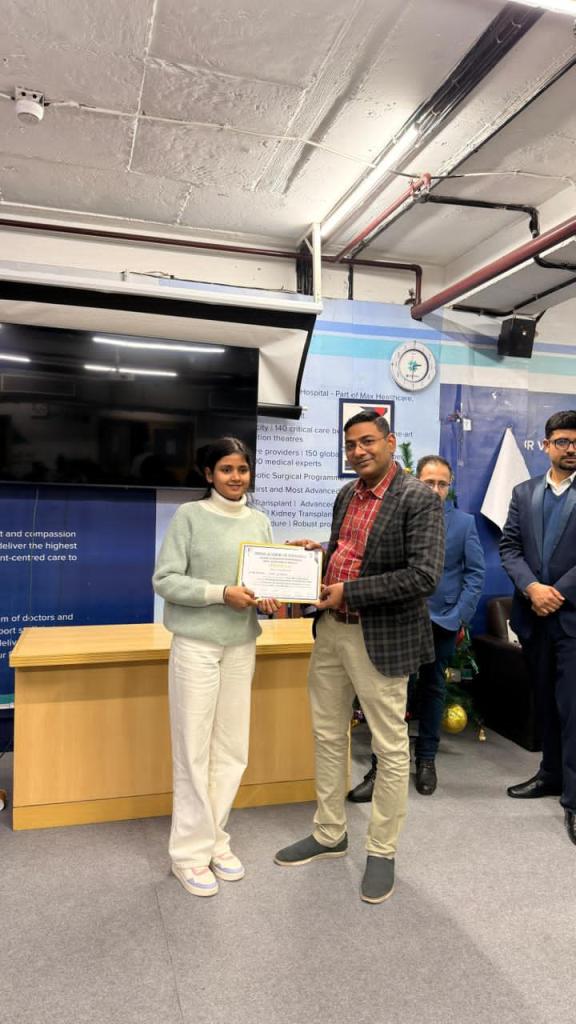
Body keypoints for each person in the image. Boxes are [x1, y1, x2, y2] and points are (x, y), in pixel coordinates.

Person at [274, 411, 445, 903]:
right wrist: (319, 554)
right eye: (351, 444)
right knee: (328, 735)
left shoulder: (417, 497)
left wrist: (349, 591)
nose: (358, 451)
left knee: (389, 748)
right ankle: (330, 833)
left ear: (390, 441)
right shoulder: (347, 493)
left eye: (368, 441)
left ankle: (382, 850)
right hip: (331, 632)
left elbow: (424, 576)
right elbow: (352, 550)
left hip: (380, 638)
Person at [153, 437, 279, 897]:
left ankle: (214, 839)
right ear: (208, 474)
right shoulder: (190, 516)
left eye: (242, 469)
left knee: (231, 749)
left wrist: (270, 595)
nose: (235, 477)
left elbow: (266, 579)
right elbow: (165, 580)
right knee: (193, 749)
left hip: (241, 645)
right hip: (196, 646)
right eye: (226, 469)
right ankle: (188, 854)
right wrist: (219, 593)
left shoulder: (260, 521)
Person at [348, 454, 485, 801]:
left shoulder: (464, 523)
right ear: (416, 481)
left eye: (442, 484)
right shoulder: (399, 515)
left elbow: (474, 575)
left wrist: (458, 617)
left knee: (434, 689)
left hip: (441, 623)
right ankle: (381, 768)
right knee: (393, 696)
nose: (435, 489)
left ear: (449, 486)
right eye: (429, 482)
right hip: (399, 620)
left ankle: (426, 760)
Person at [500, 410, 576, 847]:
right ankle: (550, 775)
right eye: (562, 441)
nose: (570, 448)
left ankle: (575, 798)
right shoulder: (524, 492)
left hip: (572, 619)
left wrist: (556, 593)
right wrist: (532, 588)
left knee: (574, 710)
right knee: (545, 703)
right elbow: (509, 547)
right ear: (546, 445)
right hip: (533, 618)